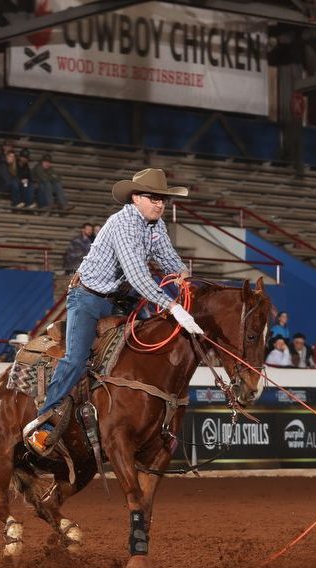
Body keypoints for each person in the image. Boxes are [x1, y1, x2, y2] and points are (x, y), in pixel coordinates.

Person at [24, 168, 201, 454]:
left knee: (155, 347)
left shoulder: (156, 226)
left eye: (163, 199)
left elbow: (168, 258)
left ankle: (154, 420)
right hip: (88, 297)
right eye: (153, 198)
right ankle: (43, 422)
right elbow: (136, 274)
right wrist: (171, 304)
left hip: (121, 300)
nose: (159, 204)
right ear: (136, 198)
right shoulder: (123, 224)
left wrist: (182, 273)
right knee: (76, 358)